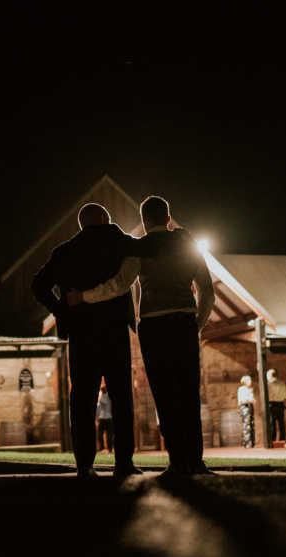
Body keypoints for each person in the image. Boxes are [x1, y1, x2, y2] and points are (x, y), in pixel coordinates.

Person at [68, 195, 216, 477]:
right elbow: (207, 290)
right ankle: (195, 461)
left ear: (145, 222)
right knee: (188, 392)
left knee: (163, 392)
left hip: (153, 325)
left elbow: (118, 285)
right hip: (184, 320)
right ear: (168, 218)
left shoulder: (139, 248)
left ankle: (176, 462)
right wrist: (197, 324)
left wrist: (84, 296)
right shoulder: (189, 246)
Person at [31, 202, 142, 480]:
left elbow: (38, 285)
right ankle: (124, 462)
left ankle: (85, 465)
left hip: (82, 333)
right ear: (105, 218)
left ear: (82, 224)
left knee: (83, 399)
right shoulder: (118, 241)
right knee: (121, 398)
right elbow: (145, 249)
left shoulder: (65, 251)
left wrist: (60, 309)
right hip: (115, 331)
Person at [266, 368, 286, 443]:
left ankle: (273, 440)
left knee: (272, 423)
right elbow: (285, 396)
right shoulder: (282, 383)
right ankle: (282, 439)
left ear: (270, 376)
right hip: (280, 403)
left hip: (271, 404)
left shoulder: (267, 384)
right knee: (281, 422)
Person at [95, 382, 114, 453]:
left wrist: (96, 417)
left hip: (102, 417)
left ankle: (102, 448)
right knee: (109, 434)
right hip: (109, 417)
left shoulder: (100, 397)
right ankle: (109, 448)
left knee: (100, 434)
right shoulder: (109, 397)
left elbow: (98, 407)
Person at [237, 375, 256, 448]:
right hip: (245, 407)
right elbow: (241, 401)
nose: (250, 382)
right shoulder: (241, 389)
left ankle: (252, 442)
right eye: (249, 380)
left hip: (251, 406)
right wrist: (249, 400)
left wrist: (253, 400)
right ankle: (247, 443)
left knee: (252, 423)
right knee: (246, 425)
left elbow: (252, 398)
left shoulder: (251, 389)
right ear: (244, 382)